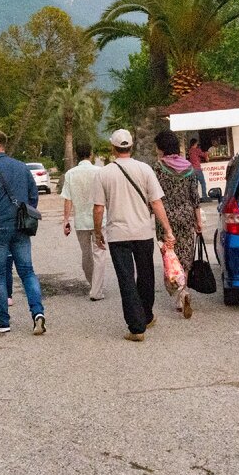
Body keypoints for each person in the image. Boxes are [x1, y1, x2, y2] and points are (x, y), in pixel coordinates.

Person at [92, 129, 175, 342]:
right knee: (146, 274)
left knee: (126, 279)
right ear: (132, 146)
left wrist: (98, 231)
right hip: (143, 232)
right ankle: (146, 315)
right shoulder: (145, 169)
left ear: (113, 148)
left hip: (118, 234)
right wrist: (167, 229)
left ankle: (136, 327)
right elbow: (156, 202)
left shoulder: (103, 173)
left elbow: (99, 208)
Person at [0, 129, 46, 335]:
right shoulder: (22, 168)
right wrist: (25, 214)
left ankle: (3, 321)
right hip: (21, 227)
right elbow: (33, 196)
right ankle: (37, 312)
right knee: (27, 271)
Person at [152, 130, 205, 320]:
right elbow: (195, 198)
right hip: (186, 217)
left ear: (162, 147)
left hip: (165, 219)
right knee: (185, 256)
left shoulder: (157, 168)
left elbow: (153, 197)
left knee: (170, 257)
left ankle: (179, 293)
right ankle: (184, 292)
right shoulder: (189, 168)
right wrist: (198, 221)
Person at [60, 141, 108, 301]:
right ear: (91, 154)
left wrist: (66, 220)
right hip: (99, 219)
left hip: (80, 220)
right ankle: (97, 290)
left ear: (76, 155)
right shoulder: (99, 172)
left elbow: (68, 199)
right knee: (99, 253)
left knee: (86, 254)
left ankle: (92, 283)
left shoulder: (70, 174)